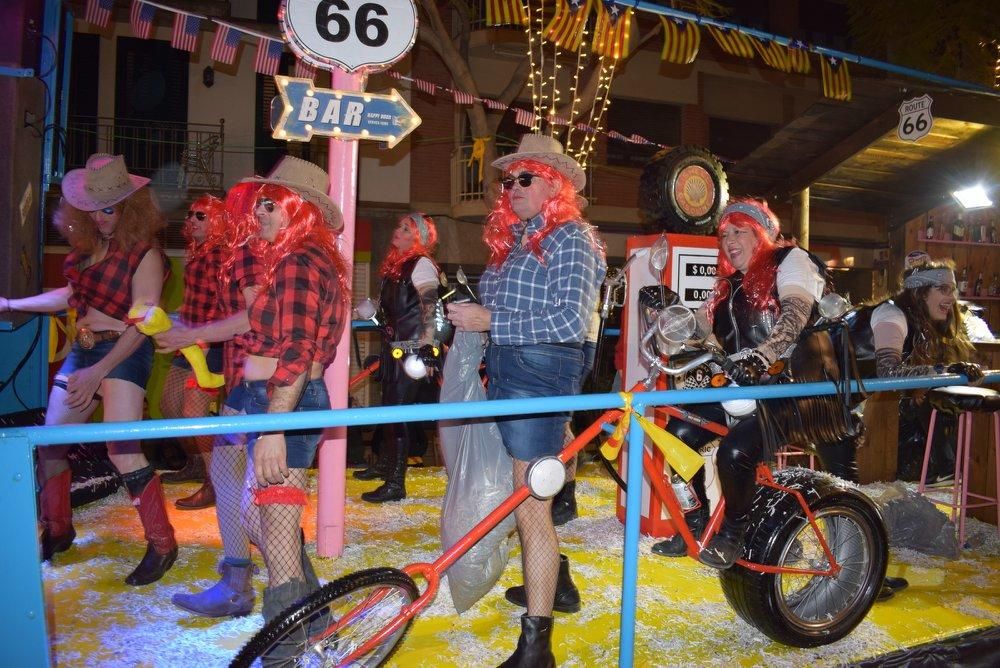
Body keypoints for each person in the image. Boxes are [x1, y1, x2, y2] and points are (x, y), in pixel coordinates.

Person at [447, 133, 606, 667]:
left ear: (553, 184)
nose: (511, 187)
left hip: (540, 379)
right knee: (525, 503)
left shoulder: (572, 238)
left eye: (524, 178)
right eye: (507, 180)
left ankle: (538, 646)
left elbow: (569, 322)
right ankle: (551, 593)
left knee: (531, 510)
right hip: (513, 374)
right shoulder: (517, 241)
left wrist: (489, 320)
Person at [0, 153, 176, 585]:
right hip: (83, 353)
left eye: (110, 209)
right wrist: (10, 304)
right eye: (93, 210)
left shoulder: (145, 255)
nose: (100, 218)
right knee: (50, 444)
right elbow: (68, 296)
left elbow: (143, 324)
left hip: (125, 351)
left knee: (122, 449)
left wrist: (99, 373)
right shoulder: (84, 256)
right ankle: (58, 529)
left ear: (131, 208)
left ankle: (162, 543)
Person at [653, 197, 852, 570]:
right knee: (677, 434)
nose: (729, 238)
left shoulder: (790, 260)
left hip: (791, 389)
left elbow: (794, 315)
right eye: (724, 232)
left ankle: (734, 532)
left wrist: (762, 358)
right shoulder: (726, 285)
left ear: (760, 233)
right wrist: (669, 311)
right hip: (739, 389)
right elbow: (701, 333)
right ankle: (694, 524)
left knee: (734, 452)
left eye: (739, 230)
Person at [237, 156, 349, 659]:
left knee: (277, 546)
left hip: (288, 403)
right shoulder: (300, 260)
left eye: (268, 204)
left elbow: (299, 352)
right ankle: (321, 623)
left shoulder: (301, 262)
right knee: (272, 530)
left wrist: (274, 429)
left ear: (295, 210)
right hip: (286, 401)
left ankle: (283, 653)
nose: (257, 212)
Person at [158, 183, 265, 617]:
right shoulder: (235, 252)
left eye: (205, 213)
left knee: (263, 506)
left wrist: (195, 336)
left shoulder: (244, 252)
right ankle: (241, 582)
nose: (194, 219)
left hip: (263, 382)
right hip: (245, 377)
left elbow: (255, 315)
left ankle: (302, 609)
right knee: (239, 487)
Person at [849, 254, 984, 480]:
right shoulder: (892, 314)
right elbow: (888, 372)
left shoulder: (921, 323)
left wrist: (929, 380)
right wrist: (943, 372)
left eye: (952, 290)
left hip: (853, 405)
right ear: (920, 293)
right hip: (833, 404)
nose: (952, 298)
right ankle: (945, 466)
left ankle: (947, 466)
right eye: (943, 289)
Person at [356, 212, 447, 503]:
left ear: (418, 237)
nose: (398, 231)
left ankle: (396, 481)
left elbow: (431, 306)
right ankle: (386, 465)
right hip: (397, 349)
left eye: (406, 228)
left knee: (398, 412)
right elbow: (393, 311)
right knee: (390, 408)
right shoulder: (398, 266)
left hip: (412, 352)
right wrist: (368, 312)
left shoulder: (419, 264)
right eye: (399, 226)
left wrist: (428, 344)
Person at [158, 195, 226, 510]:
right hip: (188, 339)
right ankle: (199, 463)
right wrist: (176, 321)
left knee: (193, 415)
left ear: (217, 220)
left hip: (211, 344)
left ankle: (216, 483)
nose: (193, 220)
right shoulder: (196, 252)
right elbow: (195, 300)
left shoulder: (224, 255)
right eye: (191, 215)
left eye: (201, 215)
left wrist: (208, 337)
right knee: (169, 407)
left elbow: (229, 305)